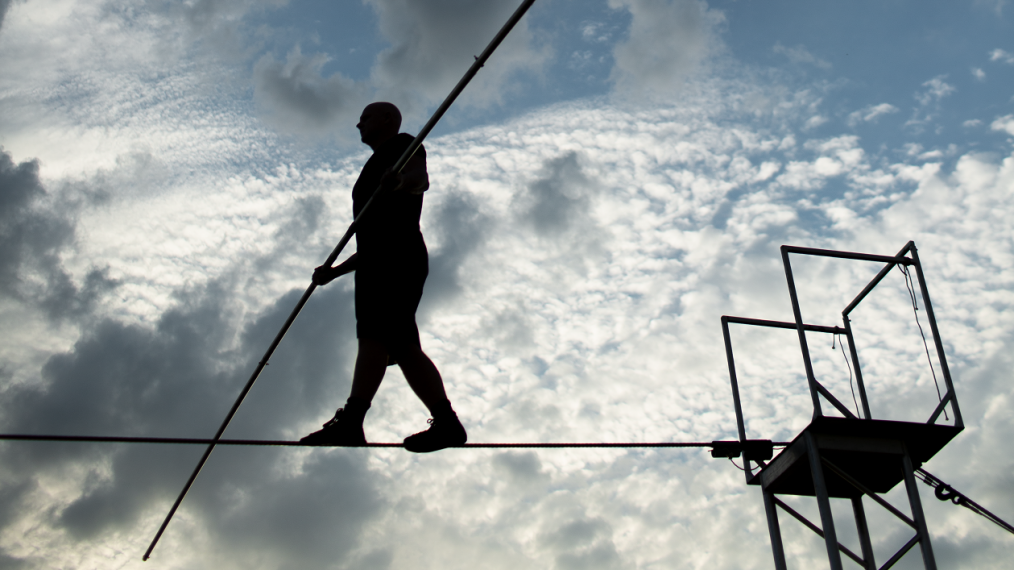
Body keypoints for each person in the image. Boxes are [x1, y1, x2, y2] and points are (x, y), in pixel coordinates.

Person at [301, 102, 466, 453]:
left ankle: (352, 421)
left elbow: (420, 180)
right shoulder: (372, 166)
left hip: (396, 258)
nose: (358, 122)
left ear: (387, 120)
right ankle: (446, 422)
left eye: (366, 116)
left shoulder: (403, 145)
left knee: (375, 336)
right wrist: (335, 272)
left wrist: (400, 181)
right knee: (403, 346)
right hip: (383, 259)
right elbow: (374, 241)